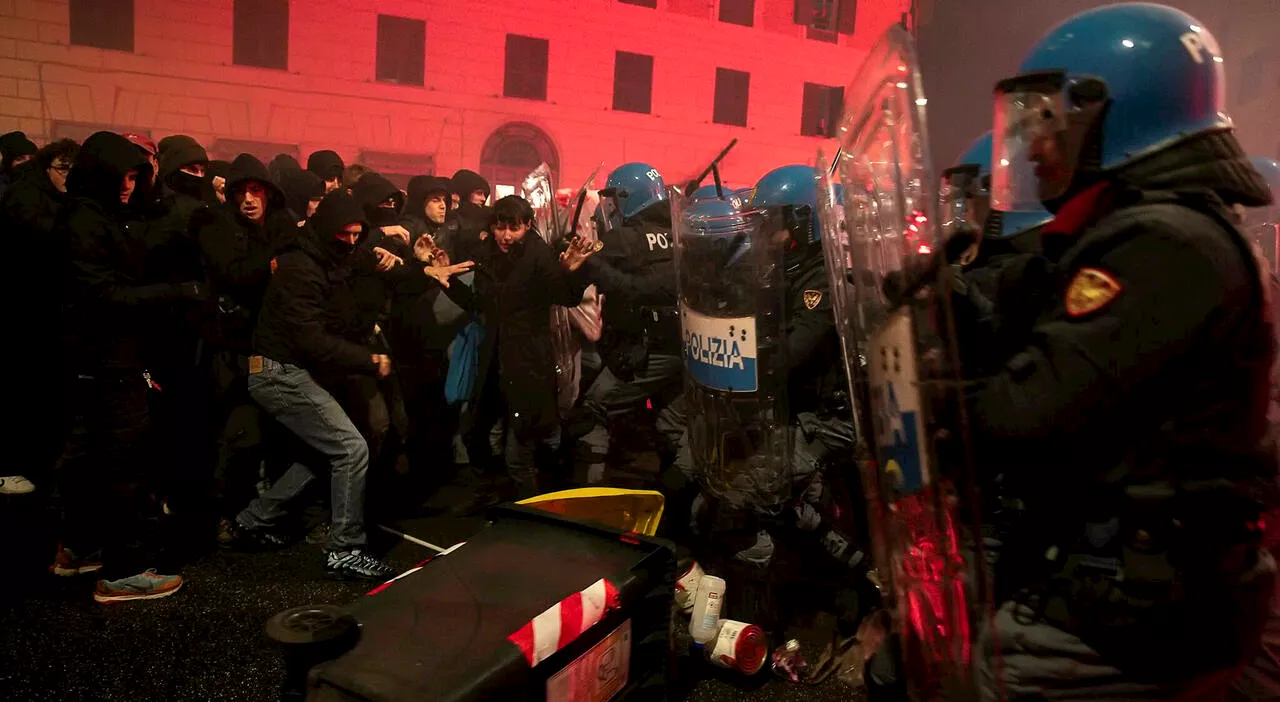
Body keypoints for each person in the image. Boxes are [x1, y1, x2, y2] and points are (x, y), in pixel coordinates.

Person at [972, 5, 1277, 698]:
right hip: (1131, 590)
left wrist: (930, 391)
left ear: (1110, 111)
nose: (1030, 145)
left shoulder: (1164, 244)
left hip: (1127, 609)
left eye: (1045, 120)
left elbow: (1024, 414)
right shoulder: (1158, 231)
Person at [55, 131, 203, 601]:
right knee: (124, 465)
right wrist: (177, 292)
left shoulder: (93, 213)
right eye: (122, 176)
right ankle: (124, 570)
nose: (128, 185)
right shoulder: (85, 220)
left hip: (93, 358)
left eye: (135, 176)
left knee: (89, 460)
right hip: (107, 359)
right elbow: (103, 296)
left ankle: (77, 547)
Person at [228, 190, 398, 580]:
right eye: (345, 234)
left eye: (358, 234)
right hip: (279, 373)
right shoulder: (300, 266)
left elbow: (359, 262)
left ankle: (253, 521)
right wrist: (368, 360)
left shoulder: (323, 255)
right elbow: (311, 339)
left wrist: (394, 259)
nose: (351, 242)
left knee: (322, 455)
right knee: (351, 449)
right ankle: (344, 550)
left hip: (286, 370)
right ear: (326, 229)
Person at [456, 195, 597, 509]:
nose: (506, 236)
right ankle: (487, 495)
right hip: (494, 357)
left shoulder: (538, 256)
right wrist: (445, 281)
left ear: (528, 226)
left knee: (518, 455)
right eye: (500, 227)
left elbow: (563, 295)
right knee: (474, 430)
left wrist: (573, 273)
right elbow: (479, 303)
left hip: (526, 363)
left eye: (514, 229)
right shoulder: (487, 255)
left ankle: (533, 515)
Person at [197, 154, 300, 528]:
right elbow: (233, 273)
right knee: (240, 434)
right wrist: (266, 266)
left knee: (278, 432)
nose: (248, 199)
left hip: (277, 345)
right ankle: (231, 515)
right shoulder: (218, 225)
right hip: (235, 349)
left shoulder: (283, 226)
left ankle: (267, 514)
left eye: (256, 190)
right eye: (241, 191)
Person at [0, 138, 79, 497]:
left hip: (48, 312)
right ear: (47, 167)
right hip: (23, 311)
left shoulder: (54, 198)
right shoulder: (25, 195)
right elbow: (45, 237)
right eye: (62, 168)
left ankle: (38, 464)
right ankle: (12, 465)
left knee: (45, 391)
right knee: (23, 389)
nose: (68, 176)